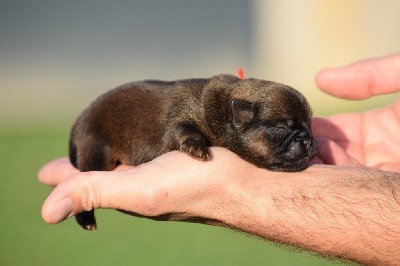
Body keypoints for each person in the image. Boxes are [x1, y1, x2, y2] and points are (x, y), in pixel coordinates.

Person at [39, 53, 400, 265]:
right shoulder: (196, 107)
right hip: (98, 130)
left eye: (305, 131)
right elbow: (177, 127)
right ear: (241, 118)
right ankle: (85, 212)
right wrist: (190, 141)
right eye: (287, 133)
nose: (307, 144)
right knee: (88, 166)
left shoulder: (233, 108)